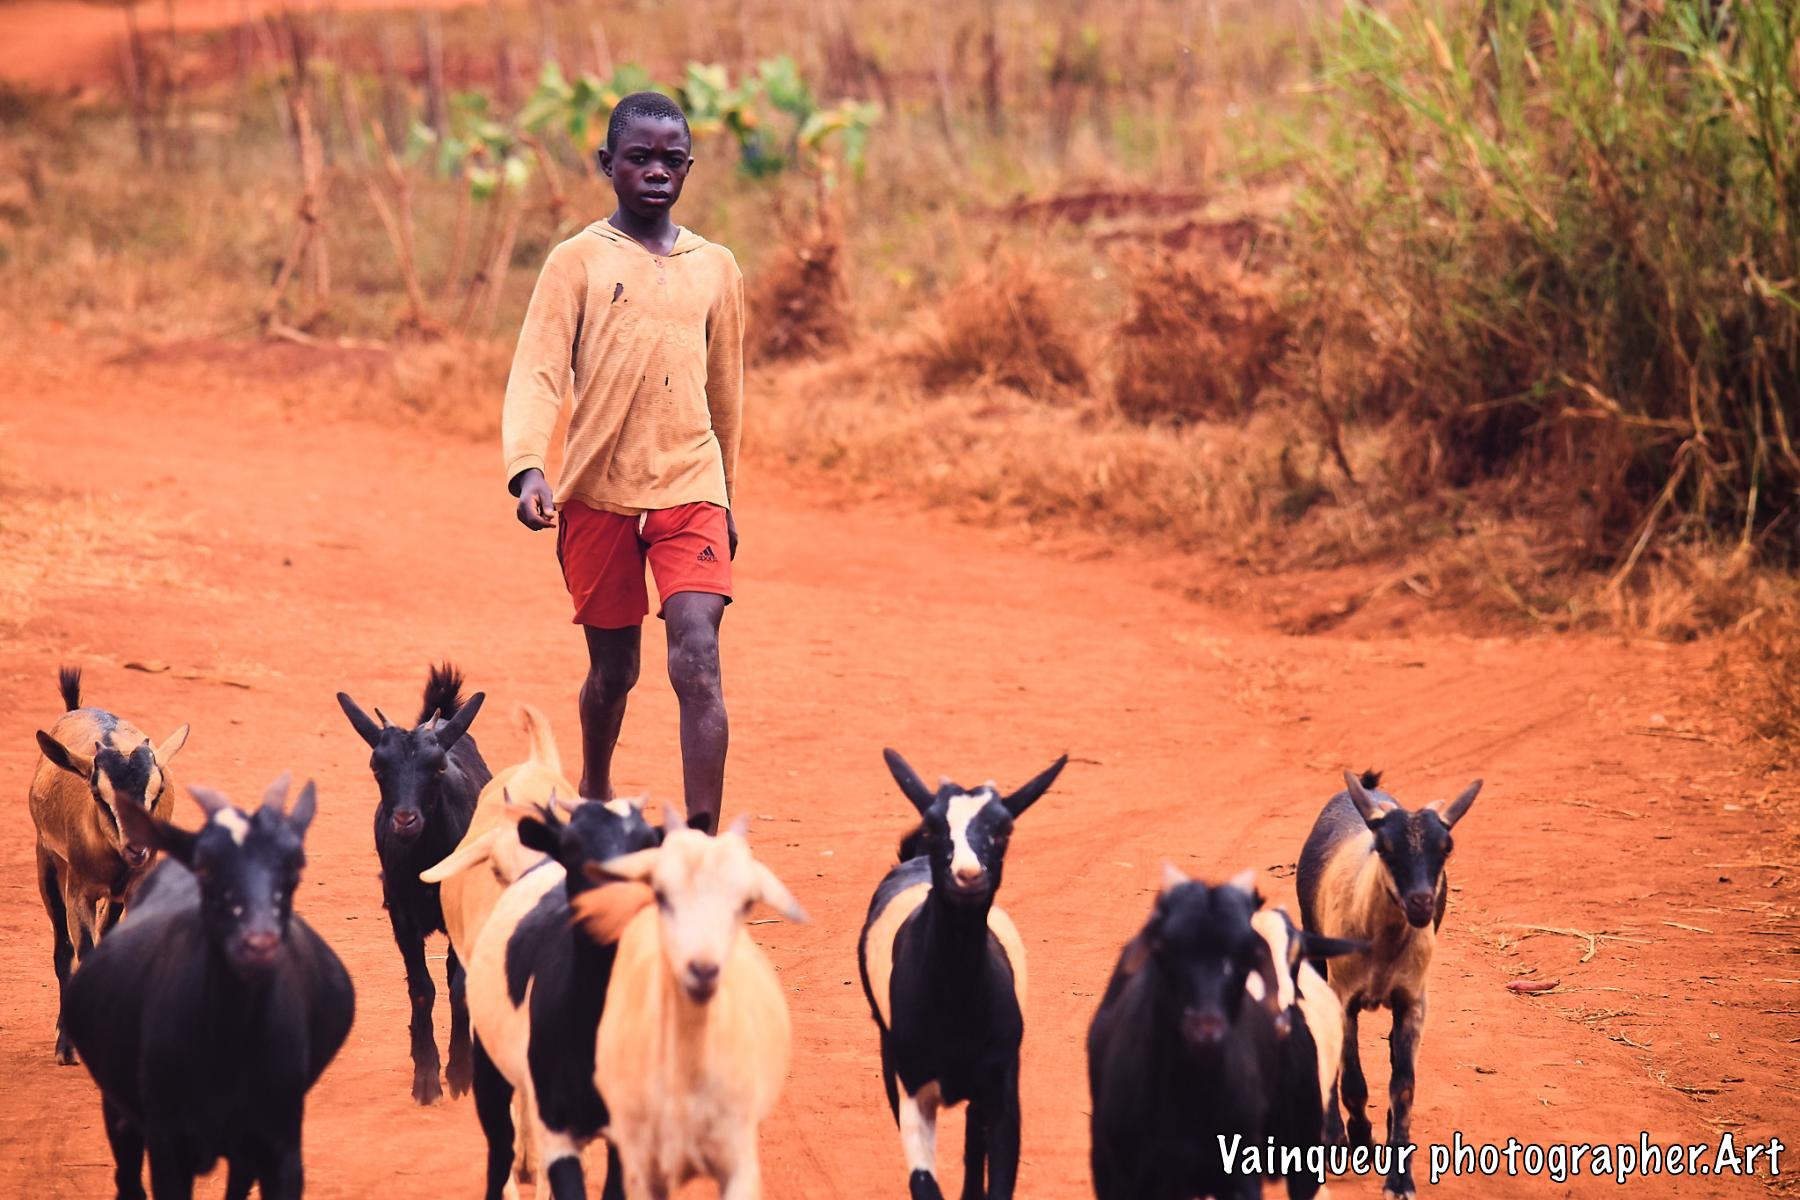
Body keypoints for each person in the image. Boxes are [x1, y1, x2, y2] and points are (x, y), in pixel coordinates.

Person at [501, 91, 744, 835]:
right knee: (615, 672)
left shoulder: (716, 268)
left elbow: (728, 391)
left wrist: (727, 499)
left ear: (689, 167)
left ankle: (700, 842)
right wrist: (528, 467)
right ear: (608, 164)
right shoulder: (575, 262)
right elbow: (539, 372)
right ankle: (596, 789)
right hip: (598, 493)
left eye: (673, 160)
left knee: (696, 657)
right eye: (639, 157)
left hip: (691, 486)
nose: (657, 171)